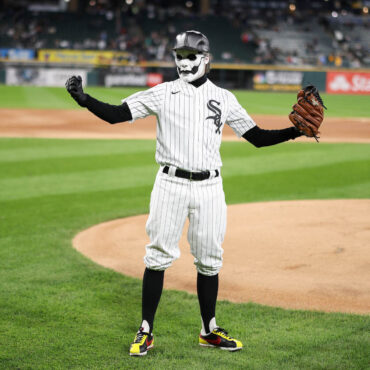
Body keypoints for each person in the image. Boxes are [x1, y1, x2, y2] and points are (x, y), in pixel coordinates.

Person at [66, 30, 303, 356]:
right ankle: (146, 329)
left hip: (210, 188)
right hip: (170, 184)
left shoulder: (225, 98)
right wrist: (84, 99)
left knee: (209, 260)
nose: (184, 61)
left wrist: (296, 131)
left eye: (191, 56)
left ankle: (208, 330)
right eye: (179, 56)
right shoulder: (163, 93)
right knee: (158, 256)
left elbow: (258, 137)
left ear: (206, 59)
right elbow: (117, 115)